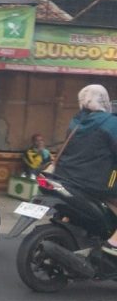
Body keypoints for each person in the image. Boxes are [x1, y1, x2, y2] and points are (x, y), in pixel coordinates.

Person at [50, 85, 117, 256]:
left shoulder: (76, 121)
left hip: (66, 177)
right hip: (94, 182)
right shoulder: (111, 123)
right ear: (103, 100)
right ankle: (113, 243)